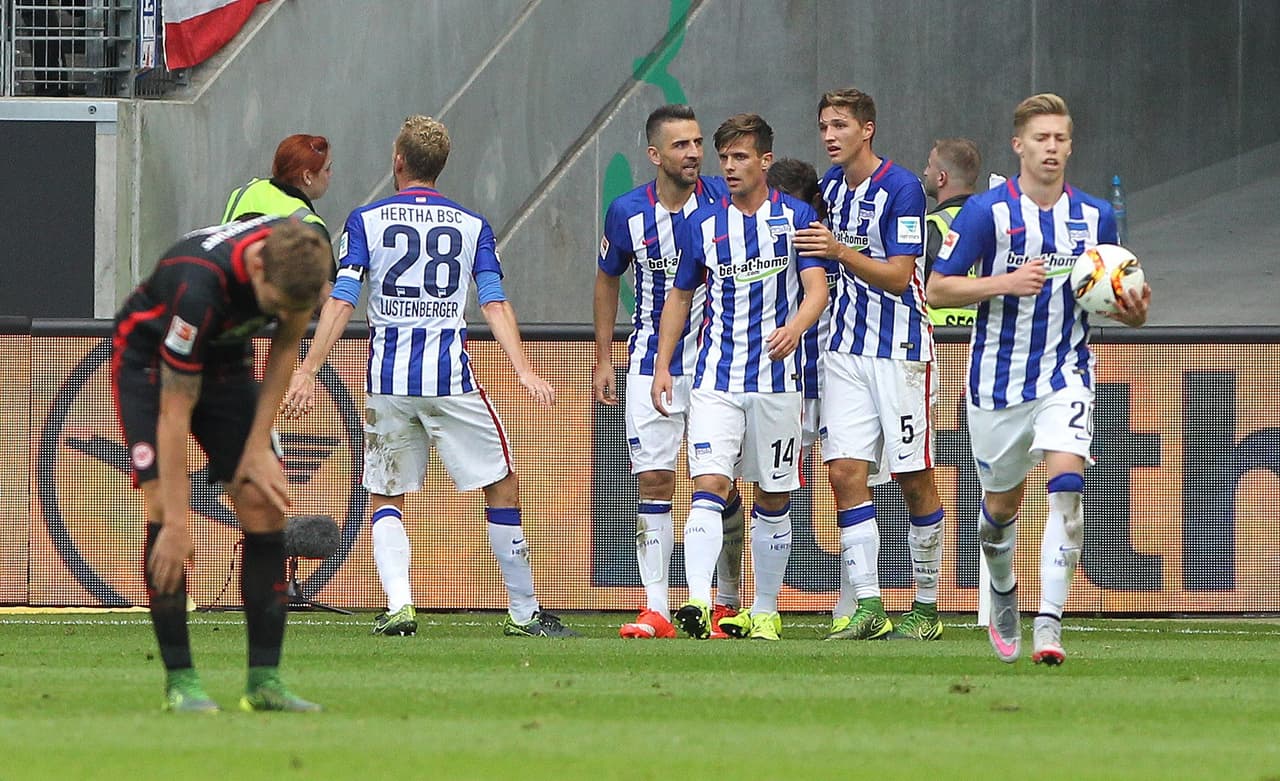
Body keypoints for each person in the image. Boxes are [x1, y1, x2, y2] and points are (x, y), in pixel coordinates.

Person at [281, 115, 574, 639]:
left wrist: (307, 370)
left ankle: (400, 606)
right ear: (440, 166)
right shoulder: (472, 225)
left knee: (386, 496)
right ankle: (526, 614)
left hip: (388, 381)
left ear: (398, 161)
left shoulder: (365, 220)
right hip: (450, 380)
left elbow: (342, 301)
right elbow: (494, 302)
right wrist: (524, 369)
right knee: (502, 487)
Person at [926, 93, 1151, 665]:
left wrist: (1132, 309)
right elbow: (936, 288)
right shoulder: (985, 213)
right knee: (1000, 510)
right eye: (1041, 139)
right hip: (996, 385)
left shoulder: (1096, 214)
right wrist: (1003, 282)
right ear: (1018, 145)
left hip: (1065, 373)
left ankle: (1049, 625)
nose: (1051, 148)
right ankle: (1003, 589)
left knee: (1067, 491)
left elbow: (1123, 298)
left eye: (1060, 139)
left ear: (1070, 145)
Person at [113, 217, 331, 712]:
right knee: (161, 510)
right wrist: (177, 521)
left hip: (227, 366)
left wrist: (257, 447)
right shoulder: (199, 287)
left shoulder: (303, 264)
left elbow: (283, 351)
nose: (283, 313)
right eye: (274, 305)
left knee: (263, 505)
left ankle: (264, 682)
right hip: (149, 367)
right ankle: (182, 683)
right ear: (256, 267)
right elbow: (174, 410)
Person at [653, 113, 830, 640]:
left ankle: (766, 609)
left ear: (765, 161)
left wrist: (796, 326)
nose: (729, 167)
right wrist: (664, 365)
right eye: (725, 158)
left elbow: (816, 289)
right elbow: (680, 298)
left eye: (740, 157)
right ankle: (701, 602)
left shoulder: (795, 216)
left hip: (778, 383)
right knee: (709, 483)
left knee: (773, 496)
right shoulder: (702, 225)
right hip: (717, 378)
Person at [794, 88, 948, 641]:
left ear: (868, 129)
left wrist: (839, 252)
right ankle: (868, 604)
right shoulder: (828, 189)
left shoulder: (902, 187)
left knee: (912, 477)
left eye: (840, 125)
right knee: (843, 471)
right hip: (843, 352)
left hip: (900, 353)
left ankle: (927, 608)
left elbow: (900, 274)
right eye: (823, 126)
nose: (830, 135)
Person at [593, 104, 747, 640]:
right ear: (655, 154)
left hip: (715, 366)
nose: (695, 154)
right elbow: (608, 278)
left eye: (698, 143)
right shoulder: (626, 212)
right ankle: (657, 608)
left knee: (719, 485)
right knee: (654, 481)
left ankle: (724, 602)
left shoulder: (724, 202)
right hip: (645, 365)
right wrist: (602, 357)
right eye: (682, 145)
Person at [224, 134, 335, 251]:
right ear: (307, 176)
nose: (330, 174)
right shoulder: (310, 225)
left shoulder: (242, 193)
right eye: (327, 169)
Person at [922, 138, 982, 327]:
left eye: (929, 166)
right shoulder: (995, 221)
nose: (925, 172)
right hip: (982, 338)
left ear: (941, 178)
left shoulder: (931, 226)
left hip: (940, 340)